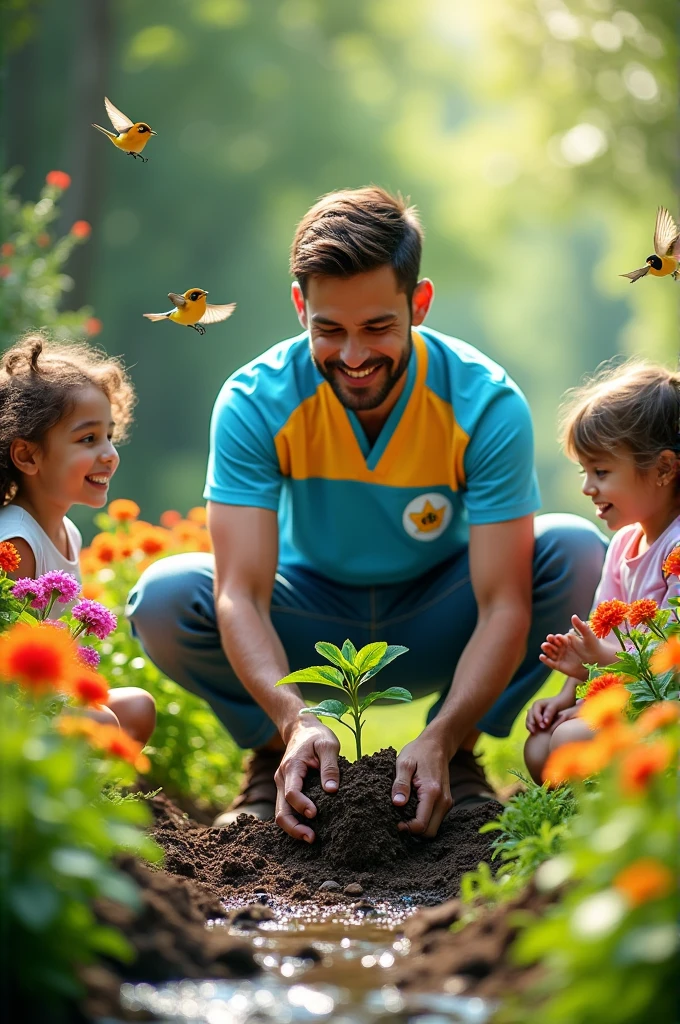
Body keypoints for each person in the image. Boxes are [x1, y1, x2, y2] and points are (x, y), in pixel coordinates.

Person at [128, 186, 605, 839]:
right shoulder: (254, 401)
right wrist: (294, 715)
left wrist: (441, 732)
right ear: (301, 307)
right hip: (310, 620)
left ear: (420, 303)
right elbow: (239, 591)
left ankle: (456, 752)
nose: (353, 357)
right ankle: (275, 752)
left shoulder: (485, 402)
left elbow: (503, 605)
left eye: (378, 327)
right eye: (330, 330)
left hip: (443, 613)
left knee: (575, 554)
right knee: (165, 598)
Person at [524, 361, 680, 783]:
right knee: (540, 744)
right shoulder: (623, 545)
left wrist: (598, 667)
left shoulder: (676, 550)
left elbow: (667, 665)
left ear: (664, 469)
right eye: (584, 471)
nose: (587, 487)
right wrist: (567, 692)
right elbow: (598, 635)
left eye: (602, 471)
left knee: (569, 742)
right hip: (623, 687)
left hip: (663, 703)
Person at [0, 333, 156, 744]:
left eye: (109, 434)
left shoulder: (66, 530)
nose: (109, 453)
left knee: (138, 706)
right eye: (88, 439)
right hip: (14, 709)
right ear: (28, 456)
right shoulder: (16, 542)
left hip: (45, 699)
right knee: (103, 723)